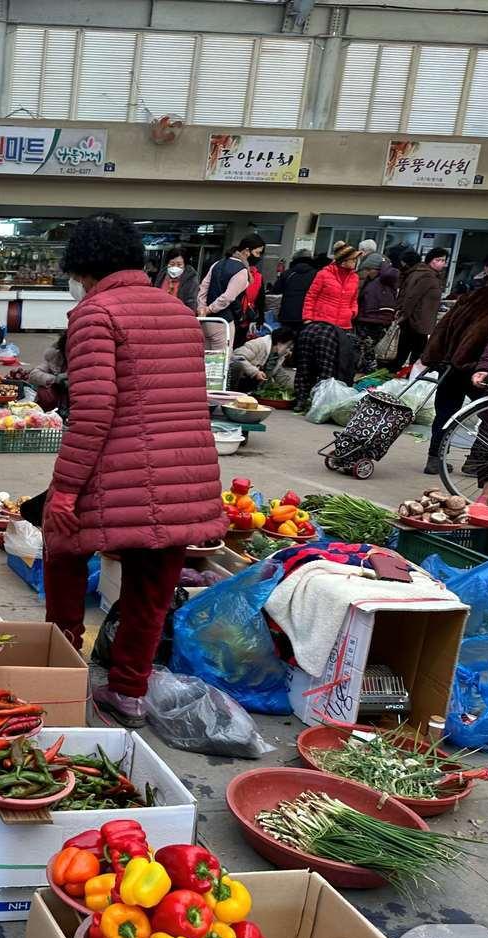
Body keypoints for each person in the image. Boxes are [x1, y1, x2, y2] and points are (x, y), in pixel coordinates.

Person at [39, 214, 224, 727]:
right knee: (152, 584)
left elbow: (94, 412)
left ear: (83, 269)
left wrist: (65, 490)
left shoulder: (95, 314)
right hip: (187, 475)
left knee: (62, 545)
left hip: (121, 472)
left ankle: (63, 666)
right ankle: (128, 692)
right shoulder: (180, 312)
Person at [422, 250, 488, 475]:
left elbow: (444, 327)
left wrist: (434, 357)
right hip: (482, 367)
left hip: (450, 364)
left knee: (446, 411)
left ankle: (435, 458)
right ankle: (477, 462)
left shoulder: (475, 294)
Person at [292, 242, 360, 405]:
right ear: (343, 260)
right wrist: (308, 318)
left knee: (331, 367)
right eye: (352, 259)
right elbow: (311, 296)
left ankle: (322, 401)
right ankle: (301, 398)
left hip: (342, 327)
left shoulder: (354, 278)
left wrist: (352, 312)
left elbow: (354, 300)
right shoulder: (324, 274)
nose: (355, 262)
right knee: (308, 364)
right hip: (320, 324)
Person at [198, 234, 266, 354]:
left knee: (205, 357)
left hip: (205, 321)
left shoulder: (217, 263)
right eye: (257, 252)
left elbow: (203, 287)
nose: (258, 256)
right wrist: (209, 309)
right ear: (247, 251)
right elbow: (228, 297)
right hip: (223, 321)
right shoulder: (242, 271)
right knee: (221, 359)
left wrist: (202, 308)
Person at [397, 247, 447, 368]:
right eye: (438, 260)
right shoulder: (427, 276)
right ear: (430, 260)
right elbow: (412, 297)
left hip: (417, 321)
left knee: (407, 352)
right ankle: (407, 375)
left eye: (444, 260)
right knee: (415, 353)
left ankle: (403, 373)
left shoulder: (428, 274)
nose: (442, 263)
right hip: (417, 322)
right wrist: (404, 315)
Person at [355, 252, 399, 369]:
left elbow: (390, 273)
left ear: (377, 269)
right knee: (367, 349)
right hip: (368, 319)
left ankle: (369, 370)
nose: (367, 273)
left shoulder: (385, 279)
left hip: (374, 320)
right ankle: (367, 368)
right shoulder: (373, 281)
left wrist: (384, 264)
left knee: (370, 349)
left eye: (369, 269)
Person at [230, 326, 294, 393]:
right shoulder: (259, 344)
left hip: (254, 390)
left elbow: (282, 377)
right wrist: (255, 372)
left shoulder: (277, 357)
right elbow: (237, 357)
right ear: (279, 342)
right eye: (288, 347)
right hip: (239, 384)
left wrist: (295, 390)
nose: (289, 352)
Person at [271, 250, 319, 327]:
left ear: (294, 259)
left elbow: (276, 290)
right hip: (306, 316)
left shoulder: (287, 273)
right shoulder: (317, 274)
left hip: (287, 314)